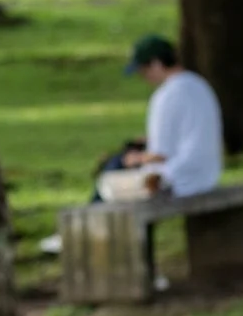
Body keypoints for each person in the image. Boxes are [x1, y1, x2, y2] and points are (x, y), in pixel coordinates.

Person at [95, 34, 223, 201]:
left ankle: (85, 226)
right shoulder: (198, 84)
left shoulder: (166, 95)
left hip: (180, 181)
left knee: (112, 173)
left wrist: (133, 159)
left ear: (156, 64)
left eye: (143, 72)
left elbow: (160, 155)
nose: (143, 79)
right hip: (208, 175)